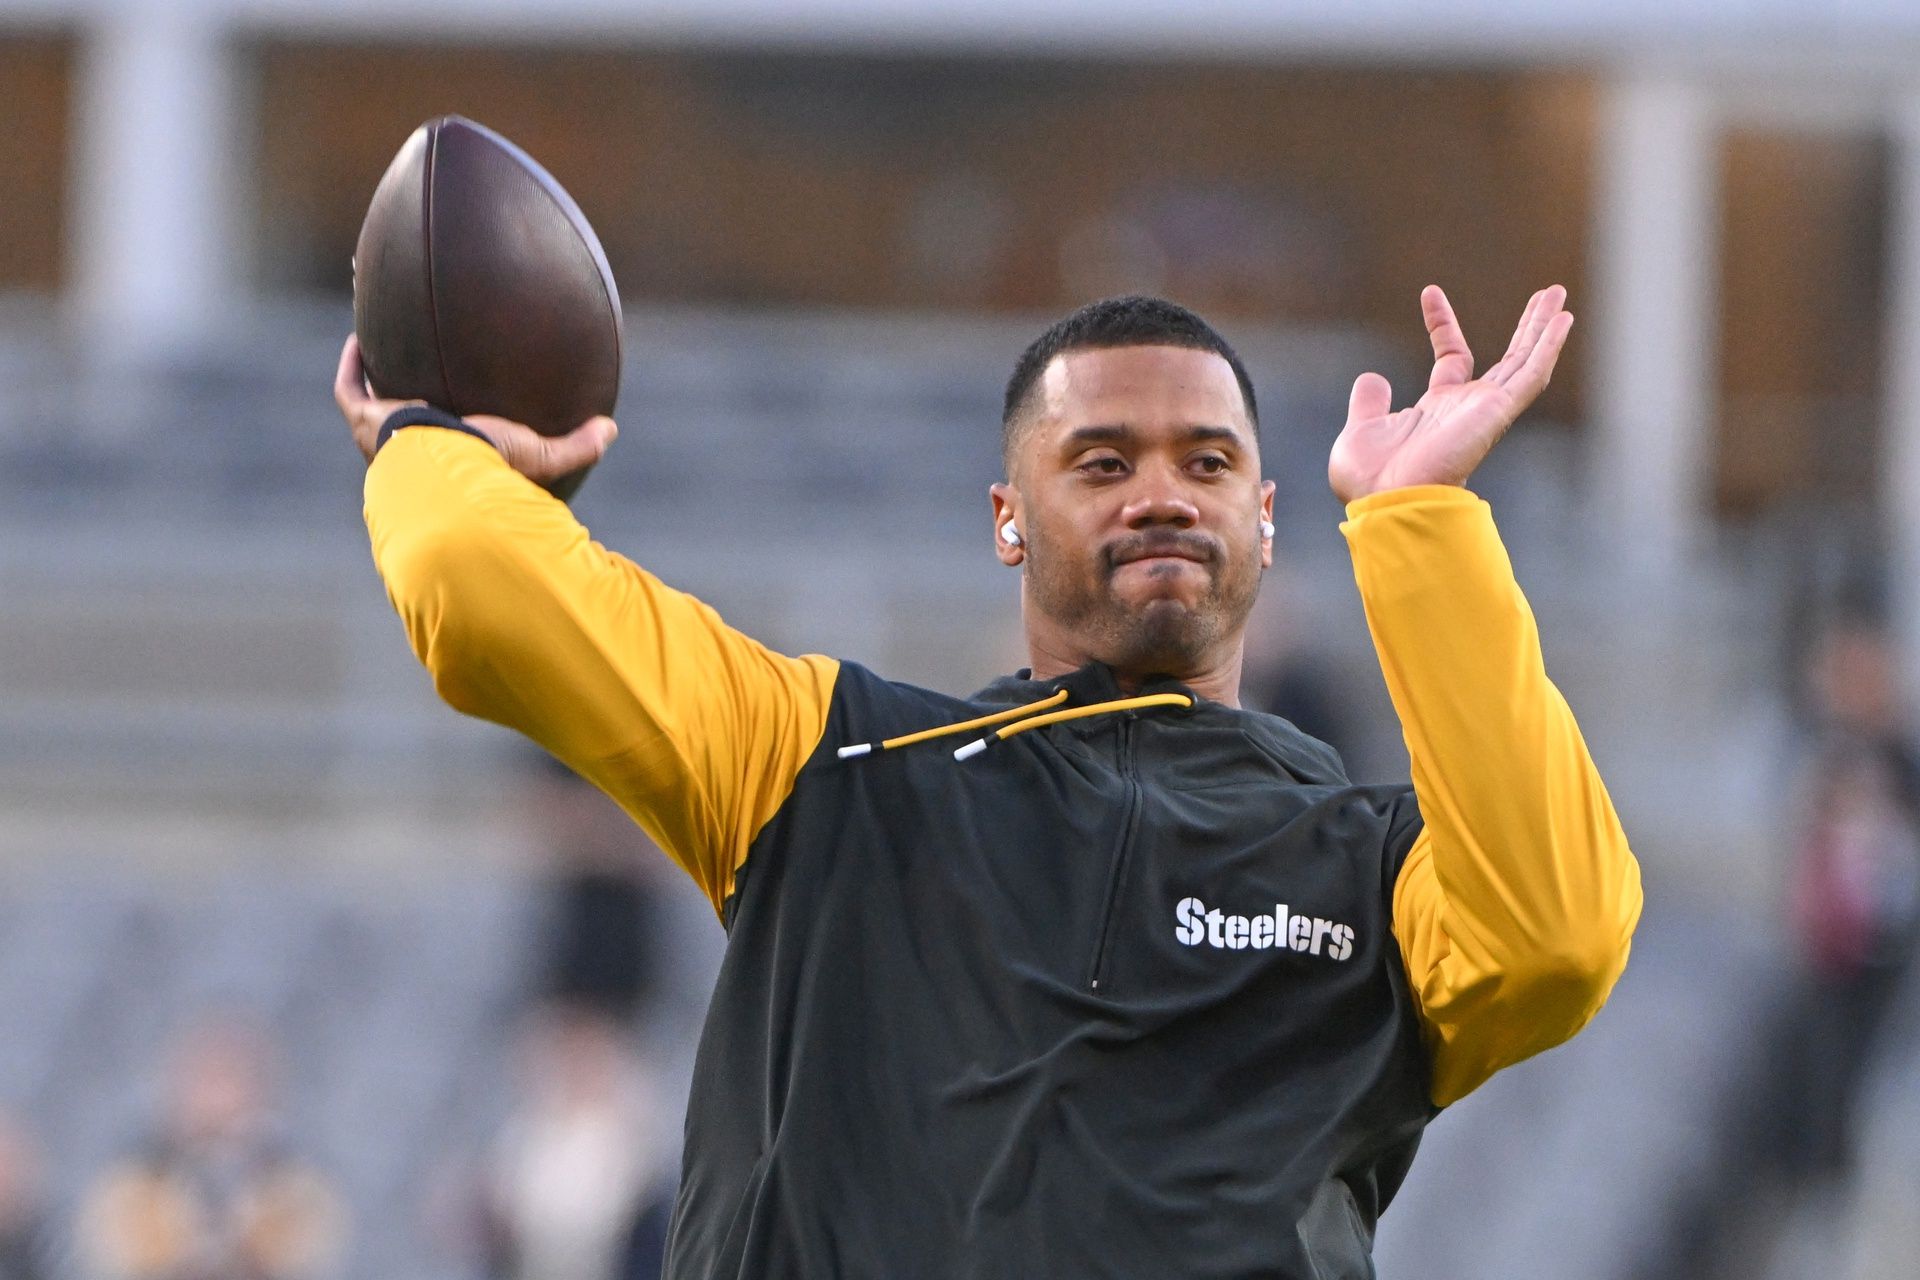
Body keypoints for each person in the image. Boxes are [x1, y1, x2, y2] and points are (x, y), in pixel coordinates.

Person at [337, 284, 1641, 1277]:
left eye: (1208, 461)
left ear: (1267, 515)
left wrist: (1420, 523)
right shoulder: (830, 765)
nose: (1162, 497)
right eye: (1102, 462)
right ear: (1008, 516)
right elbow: (466, 575)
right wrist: (430, 446)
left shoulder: (1369, 867)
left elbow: (1557, 939)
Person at [78, 1015, 345, 1280]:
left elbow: (300, 1255)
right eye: (204, 1079)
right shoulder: (136, 1187)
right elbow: (123, 1256)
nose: (215, 1096)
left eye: (229, 1078)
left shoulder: (293, 1191)